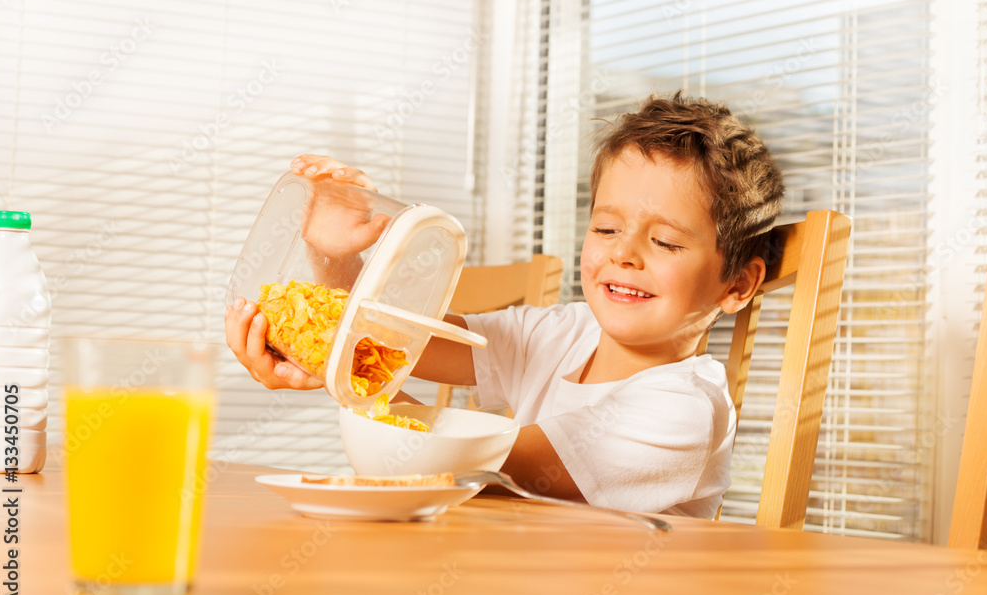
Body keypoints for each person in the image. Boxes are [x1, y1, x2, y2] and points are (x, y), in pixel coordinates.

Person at [225, 91, 784, 518]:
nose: (625, 255)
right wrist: (331, 258)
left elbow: (456, 456)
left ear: (736, 284)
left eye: (664, 242)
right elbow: (395, 344)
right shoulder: (564, 331)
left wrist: (335, 369)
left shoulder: (683, 412)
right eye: (606, 227)